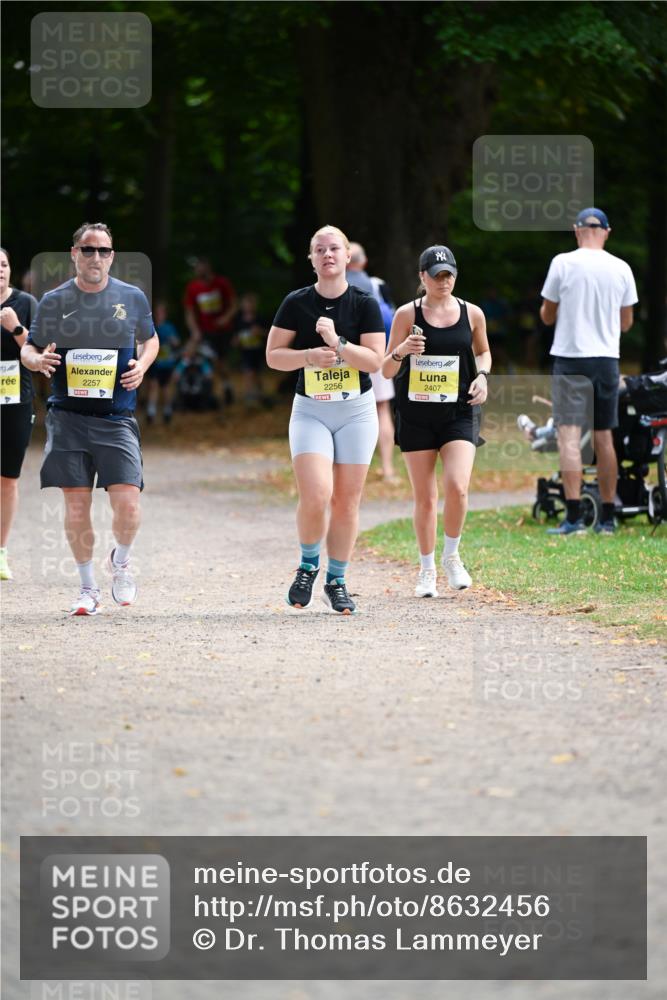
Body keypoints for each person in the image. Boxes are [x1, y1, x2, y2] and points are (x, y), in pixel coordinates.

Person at [21, 222, 159, 615]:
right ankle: (87, 588)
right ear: (74, 254)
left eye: (103, 250)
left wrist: (144, 365)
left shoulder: (131, 297)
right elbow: (29, 349)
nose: (95, 257)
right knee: (77, 507)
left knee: (129, 506)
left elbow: (151, 339)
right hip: (67, 416)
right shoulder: (53, 300)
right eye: (87, 250)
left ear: (112, 256)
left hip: (116, 417)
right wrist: (37, 360)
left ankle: (121, 562)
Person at [266, 224, 385, 615]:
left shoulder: (364, 303)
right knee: (316, 494)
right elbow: (272, 356)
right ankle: (307, 566)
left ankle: (337, 580)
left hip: (356, 412)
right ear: (312, 258)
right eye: (320, 249)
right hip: (311, 411)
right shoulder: (296, 302)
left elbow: (375, 362)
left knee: (347, 500)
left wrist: (337, 343)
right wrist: (306, 356)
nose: (328, 255)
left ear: (348, 256)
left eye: (335, 248)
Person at [382, 245, 490, 596]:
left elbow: (484, 351)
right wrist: (402, 351)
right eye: (437, 275)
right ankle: (426, 569)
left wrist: (484, 376)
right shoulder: (405, 314)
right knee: (425, 497)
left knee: (458, 486)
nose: (444, 281)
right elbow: (385, 367)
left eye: (449, 275)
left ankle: (452, 556)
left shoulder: (471, 312)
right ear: (422, 277)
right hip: (416, 414)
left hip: (459, 410)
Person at [540, 207, 638, 535]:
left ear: (577, 230)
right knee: (604, 435)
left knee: (569, 436)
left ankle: (573, 518)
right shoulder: (622, 268)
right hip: (606, 360)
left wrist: (551, 312)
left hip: (570, 358)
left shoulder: (562, 263)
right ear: (607, 232)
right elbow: (626, 323)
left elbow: (547, 315)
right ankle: (607, 518)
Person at [0, 248, 38, 580]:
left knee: (7, 479)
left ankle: (1, 553)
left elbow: (38, 354)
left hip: (14, 401)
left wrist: (15, 328)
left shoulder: (25, 304)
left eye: (3, 264)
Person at [346, 241, 398, 481]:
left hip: (345, 355)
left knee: (345, 412)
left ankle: (352, 471)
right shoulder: (377, 285)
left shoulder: (335, 286)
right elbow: (394, 316)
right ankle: (387, 468)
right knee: (381, 408)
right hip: (377, 353)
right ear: (364, 262)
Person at [183, 257, 237, 405]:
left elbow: (233, 304)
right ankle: (200, 392)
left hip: (222, 331)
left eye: (201, 266)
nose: (198, 270)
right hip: (204, 331)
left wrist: (225, 318)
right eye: (196, 267)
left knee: (221, 362)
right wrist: (194, 330)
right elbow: (189, 312)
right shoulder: (193, 288)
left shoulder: (221, 283)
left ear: (207, 267)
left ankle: (227, 388)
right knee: (198, 357)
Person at [145, 300, 181, 424]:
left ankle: (167, 411)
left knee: (165, 388)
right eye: (157, 312)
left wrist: (172, 340)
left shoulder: (169, 327)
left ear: (165, 314)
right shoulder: (151, 326)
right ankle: (151, 412)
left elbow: (177, 342)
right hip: (154, 362)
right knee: (153, 385)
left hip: (166, 363)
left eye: (161, 312)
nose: (159, 315)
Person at [231, 292, 269, 407]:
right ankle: (249, 396)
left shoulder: (259, 319)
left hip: (257, 351)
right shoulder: (238, 320)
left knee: (256, 374)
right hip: (245, 352)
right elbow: (236, 336)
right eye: (246, 304)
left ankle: (260, 394)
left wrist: (260, 332)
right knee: (248, 372)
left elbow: (269, 334)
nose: (248, 306)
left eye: (250, 304)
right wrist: (236, 340)